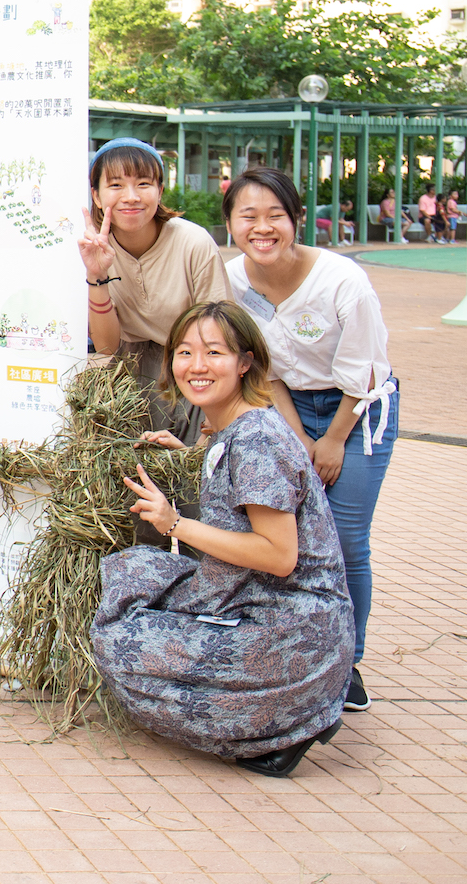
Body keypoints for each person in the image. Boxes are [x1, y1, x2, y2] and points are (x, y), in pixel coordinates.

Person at [92, 301, 353, 778]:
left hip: (288, 628)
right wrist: (191, 455)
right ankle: (281, 711)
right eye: (185, 352)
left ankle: (280, 724)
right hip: (255, 600)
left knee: (120, 643)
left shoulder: (255, 440)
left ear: (245, 361)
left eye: (214, 352)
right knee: (133, 572)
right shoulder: (234, 426)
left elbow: (278, 556)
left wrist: (174, 524)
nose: (197, 366)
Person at [224, 166, 395, 712]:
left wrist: (334, 441)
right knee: (293, 540)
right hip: (288, 406)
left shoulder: (342, 280)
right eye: (248, 216)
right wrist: (298, 439)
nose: (262, 228)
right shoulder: (233, 282)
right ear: (230, 224)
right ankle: (300, 657)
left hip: (358, 410)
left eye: (275, 215)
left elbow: (366, 371)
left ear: (296, 219)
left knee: (344, 540)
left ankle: (348, 666)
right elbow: (262, 369)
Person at [77, 137, 229, 435]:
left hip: (193, 366)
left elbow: (222, 331)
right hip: (128, 371)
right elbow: (107, 346)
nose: (130, 196)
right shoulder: (91, 247)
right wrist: (97, 275)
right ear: (96, 196)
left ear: (160, 191)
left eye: (143, 184)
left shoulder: (193, 243)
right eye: (116, 185)